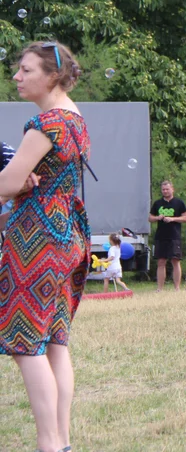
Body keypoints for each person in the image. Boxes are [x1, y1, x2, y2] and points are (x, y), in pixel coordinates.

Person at [0, 41, 90, 452]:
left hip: (35, 242)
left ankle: (48, 445)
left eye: (26, 70)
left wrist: (16, 183)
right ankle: (63, 443)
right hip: (67, 235)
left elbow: (5, 184)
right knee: (54, 343)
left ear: (52, 76)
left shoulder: (45, 125)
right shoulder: (74, 118)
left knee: (24, 345)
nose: (17, 77)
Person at [149, 180, 186, 292]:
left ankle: (177, 288)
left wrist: (173, 219)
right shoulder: (157, 203)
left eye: (167, 189)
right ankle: (160, 288)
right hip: (161, 236)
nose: (165, 191)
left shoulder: (179, 203)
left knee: (175, 261)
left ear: (172, 189)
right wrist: (157, 218)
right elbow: (150, 218)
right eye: (163, 189)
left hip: (174, 236)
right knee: (161, 261)